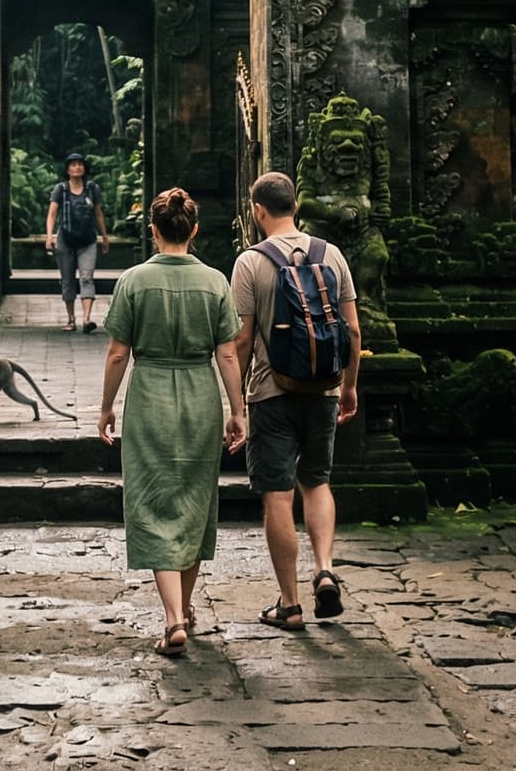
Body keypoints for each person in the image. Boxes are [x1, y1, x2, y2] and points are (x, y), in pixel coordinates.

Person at [98, 188, 247, 657]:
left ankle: (172, 618)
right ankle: (182, 606)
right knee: (193, 500)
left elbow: (119, 351)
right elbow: (227, 352)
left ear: (154, 231)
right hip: (201, 396)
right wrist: (237, 410)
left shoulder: (134, 281)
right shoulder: (215, 282)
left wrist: (106, 406)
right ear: (194, 230)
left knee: (153, 501)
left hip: (151, 395)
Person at [230, 170, 362, 630]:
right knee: (317, 481)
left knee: (278, 496)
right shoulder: (332, 254)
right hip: (323, 387)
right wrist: (348, 386)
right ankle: (324, 568)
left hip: (271, 391)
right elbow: (352, 331)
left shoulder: (250, 262)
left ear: (258, 210)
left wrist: (235, 402)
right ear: (297, 206)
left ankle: (289, 603)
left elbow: (242, 340)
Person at [45, 153, 111, 333]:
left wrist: (104, 236)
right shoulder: (61, 189)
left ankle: (87, 318)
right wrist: (49, 236)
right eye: (73, 165)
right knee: (67, 280)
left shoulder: (92, 189)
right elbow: (52, 214)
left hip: (87, 240)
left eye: (80, 164)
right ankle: (70, 318)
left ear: (84, 168)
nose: (77, 167)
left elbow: (98, 213)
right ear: (67, 169)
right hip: (65, 240)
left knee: (87, 277)